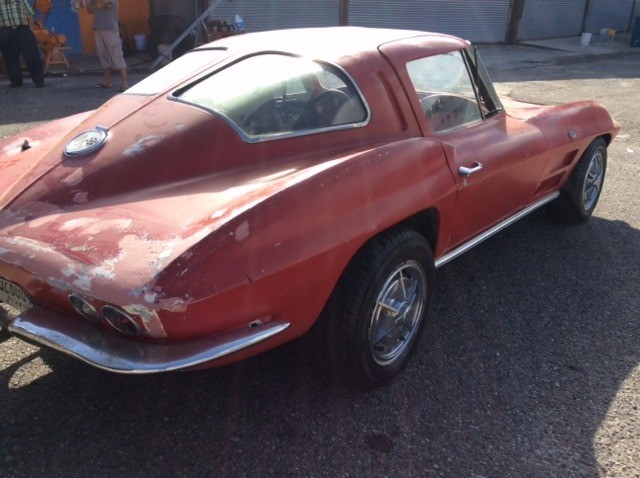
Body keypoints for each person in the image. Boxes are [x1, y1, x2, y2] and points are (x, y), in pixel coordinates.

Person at [85, 0, 128, 91]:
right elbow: (89, 10)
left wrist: (94, 5)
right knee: (103, 55)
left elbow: (102, 4)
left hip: (110, 28)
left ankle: (125, 83)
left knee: (116, 54)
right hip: (98, 28)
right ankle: (107, 81)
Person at [0, 0, 45, 88]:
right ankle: (16, 82)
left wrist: (31, 29)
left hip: (22, 29)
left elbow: (30, 13)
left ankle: (39, 81)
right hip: (6, 31)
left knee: (32, 55)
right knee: (10, 58)